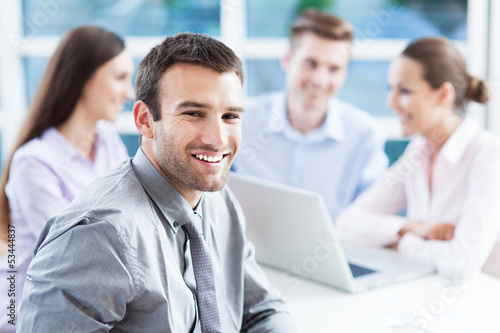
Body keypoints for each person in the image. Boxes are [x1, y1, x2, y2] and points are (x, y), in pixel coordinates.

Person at [18, 32, 297, 332]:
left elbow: (262, 312)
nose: (218, 139)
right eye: (193, 113)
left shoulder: (220, 203)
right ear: (145, 120)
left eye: (230, 116)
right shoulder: (99, 235)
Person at [0, 26, 133, 330]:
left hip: (89, 303)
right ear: (84, 77)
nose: (129, 93)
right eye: (120, 77)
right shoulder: (33, 162)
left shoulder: (107, 141)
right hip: (28, 316)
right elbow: (71, 254)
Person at [336, 37, 500, 275]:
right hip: (424, 295)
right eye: (390, 89)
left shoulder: (488, 155)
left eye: (404, 90)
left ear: (443, 94)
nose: (391, 103)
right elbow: (346, 225)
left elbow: (461, 262)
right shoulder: (418, 152)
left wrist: (402, 242)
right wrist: (411, 228)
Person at [233, 9, 388, 222]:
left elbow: (370, 219)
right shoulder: (241, 121)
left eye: (334, 69)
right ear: (287, 59)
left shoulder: (364, 136)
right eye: (311, 63)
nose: (319, 80)